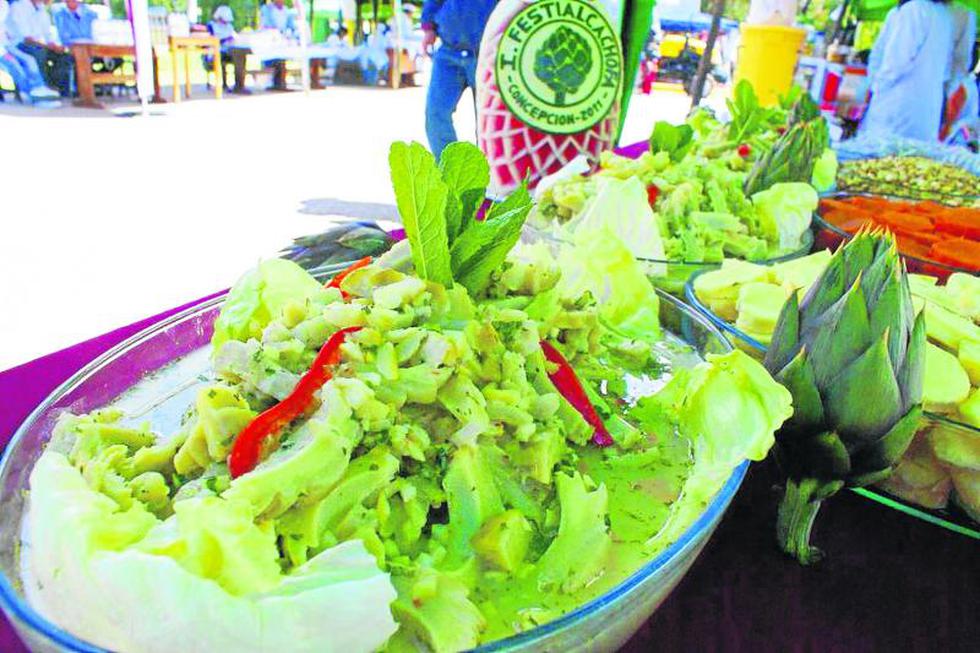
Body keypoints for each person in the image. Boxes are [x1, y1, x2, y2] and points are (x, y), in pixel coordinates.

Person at [860, 0, 955, 141]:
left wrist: (874, 88)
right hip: (925, 115)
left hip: (897, 109)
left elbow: (895, 63)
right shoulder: (944, 15)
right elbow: (946, 70)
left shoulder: (914, 9)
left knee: (884, 157)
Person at [421, 0, 497, 158]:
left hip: (490, 52)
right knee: (436, 113)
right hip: (449, 50)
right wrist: (428, 27)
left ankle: (487, 172)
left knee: (489, 121)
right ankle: (449, 169)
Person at [6, 0, 73, 96]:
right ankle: (41, 88)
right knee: (39, 52)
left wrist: (54, 45)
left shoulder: (42, 9)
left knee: (64, 55)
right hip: (18, 45)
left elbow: (48, 34)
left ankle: (59, 89)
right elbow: (26, 38)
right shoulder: (18, 7)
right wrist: (47, 46)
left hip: (39, 44)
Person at [0, 0, 58, 103]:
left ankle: (38, 87)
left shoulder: (3, 4)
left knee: (29, 60)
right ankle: (28, 90)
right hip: (15, 45)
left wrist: (52, 44)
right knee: (14, 64)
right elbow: (26, 37)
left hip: (6, 46)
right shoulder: (17, 6)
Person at [205, 5, 246, 93]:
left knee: (240, 54)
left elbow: (235, 37)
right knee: (235, 55)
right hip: (216, 52)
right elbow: (211, 41)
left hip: (231, 51)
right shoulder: (211, 26)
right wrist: (225, 40)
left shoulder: (229, 26)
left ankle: (239, 84)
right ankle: (236, 85)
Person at [259, 0, 297, 90]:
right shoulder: (266, 9)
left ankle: (280, 82)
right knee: (274, 59)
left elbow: (291, 26)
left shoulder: (287, 10)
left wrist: (289, 33)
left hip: (283, 39)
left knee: (282, 57)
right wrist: (276, 31)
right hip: (270, 38)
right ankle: (277, 82)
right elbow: (266, 24)